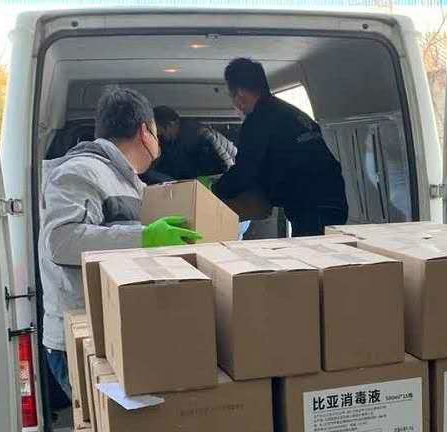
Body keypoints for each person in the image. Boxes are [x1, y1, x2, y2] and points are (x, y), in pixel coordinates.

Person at [39, 86, 200, 408]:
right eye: (156, 134)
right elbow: (62, 241)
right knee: (112, 430)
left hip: (115, 330)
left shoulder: (129, 180)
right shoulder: (81, 171)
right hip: (82, 337)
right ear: (144, 131)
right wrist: (145, 237)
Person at [213, 57, 348, 236]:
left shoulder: (258, 121)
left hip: (311, 205)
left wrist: (214, 191)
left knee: (313, 250)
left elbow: (245, 170)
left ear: (240, 94)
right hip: (331, 198)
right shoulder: (290, 113)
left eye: (232, 96)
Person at [140, 105, 238, 186]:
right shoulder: (172, 142)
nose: (161, 136)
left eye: (161, 132)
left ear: (171, 125)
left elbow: (228, 166)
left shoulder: (201, 135)